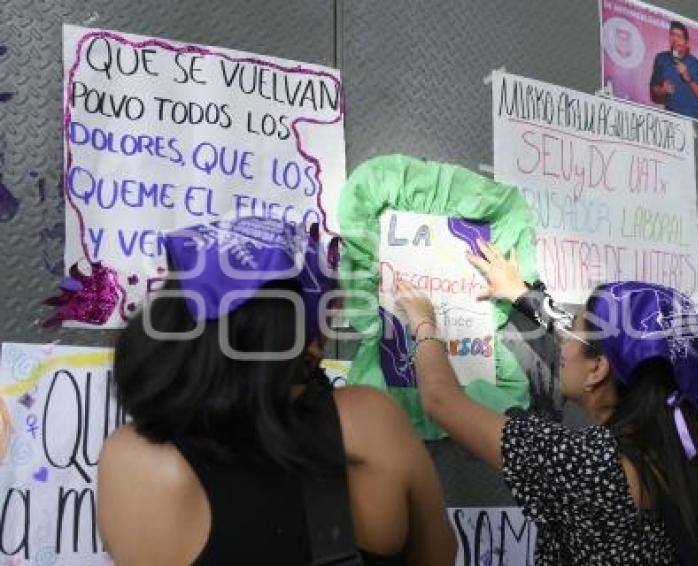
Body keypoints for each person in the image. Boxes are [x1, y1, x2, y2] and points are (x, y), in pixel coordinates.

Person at [98, 217, 456, 565]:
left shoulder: (127, 457)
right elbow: (438, 555)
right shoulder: (369, 420)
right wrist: (424, 326)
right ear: (308, 342)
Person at [393, 240, 698, 565]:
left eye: (573, 332)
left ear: (597, 369)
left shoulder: (590, 466)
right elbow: (623, 356)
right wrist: (522, 295)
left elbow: (441, 400)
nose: (563, 344)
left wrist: (424, 323)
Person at [649, 21, 698, 121]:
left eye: (679, 36)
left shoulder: (697, 65)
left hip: (697, 121)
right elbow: (654, 94)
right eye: (672, 35)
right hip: (673, 121)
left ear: (686, 42)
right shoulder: (661, 59)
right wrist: (663, 90)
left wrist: (689, 78)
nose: (675, 39)